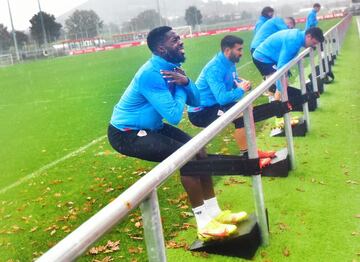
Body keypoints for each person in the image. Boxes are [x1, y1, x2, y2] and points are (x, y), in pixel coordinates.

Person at [108, 26, 247, 242]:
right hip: (126, 133)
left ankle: (215, 212)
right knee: (187, 157)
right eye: (175, 40)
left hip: (152, 126)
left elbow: (197, 101)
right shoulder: (150, 74)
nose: (181, 42)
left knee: (199, 149)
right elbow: (173, 115)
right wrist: (183, 86)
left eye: (179, 38)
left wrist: (187, 82)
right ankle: (204, 224)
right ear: (162, 49)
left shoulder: (173, 67)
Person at [188, 35, 275, 162]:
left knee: (246, 109)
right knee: (240, 114)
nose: (241, 53)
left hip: (214, 105)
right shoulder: (214, 68)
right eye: (238, 50)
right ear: (228, 51)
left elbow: (234, 80)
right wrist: (241, 89)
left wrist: (244, 84)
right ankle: (248, 156)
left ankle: (252, 152)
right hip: (200, 112)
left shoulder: (230, 63)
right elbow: (222, 98)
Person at [252, 27, 325, 100]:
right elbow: (281, 67)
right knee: (280, 85)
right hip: (262, 57)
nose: (314, 46)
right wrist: (281, 87)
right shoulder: (294, 40)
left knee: (281, 85)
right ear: (308, 36)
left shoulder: (299, 35)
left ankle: (277, 103)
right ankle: (276, 107)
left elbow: (289, 56)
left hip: (270, 57)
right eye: (314, 43)